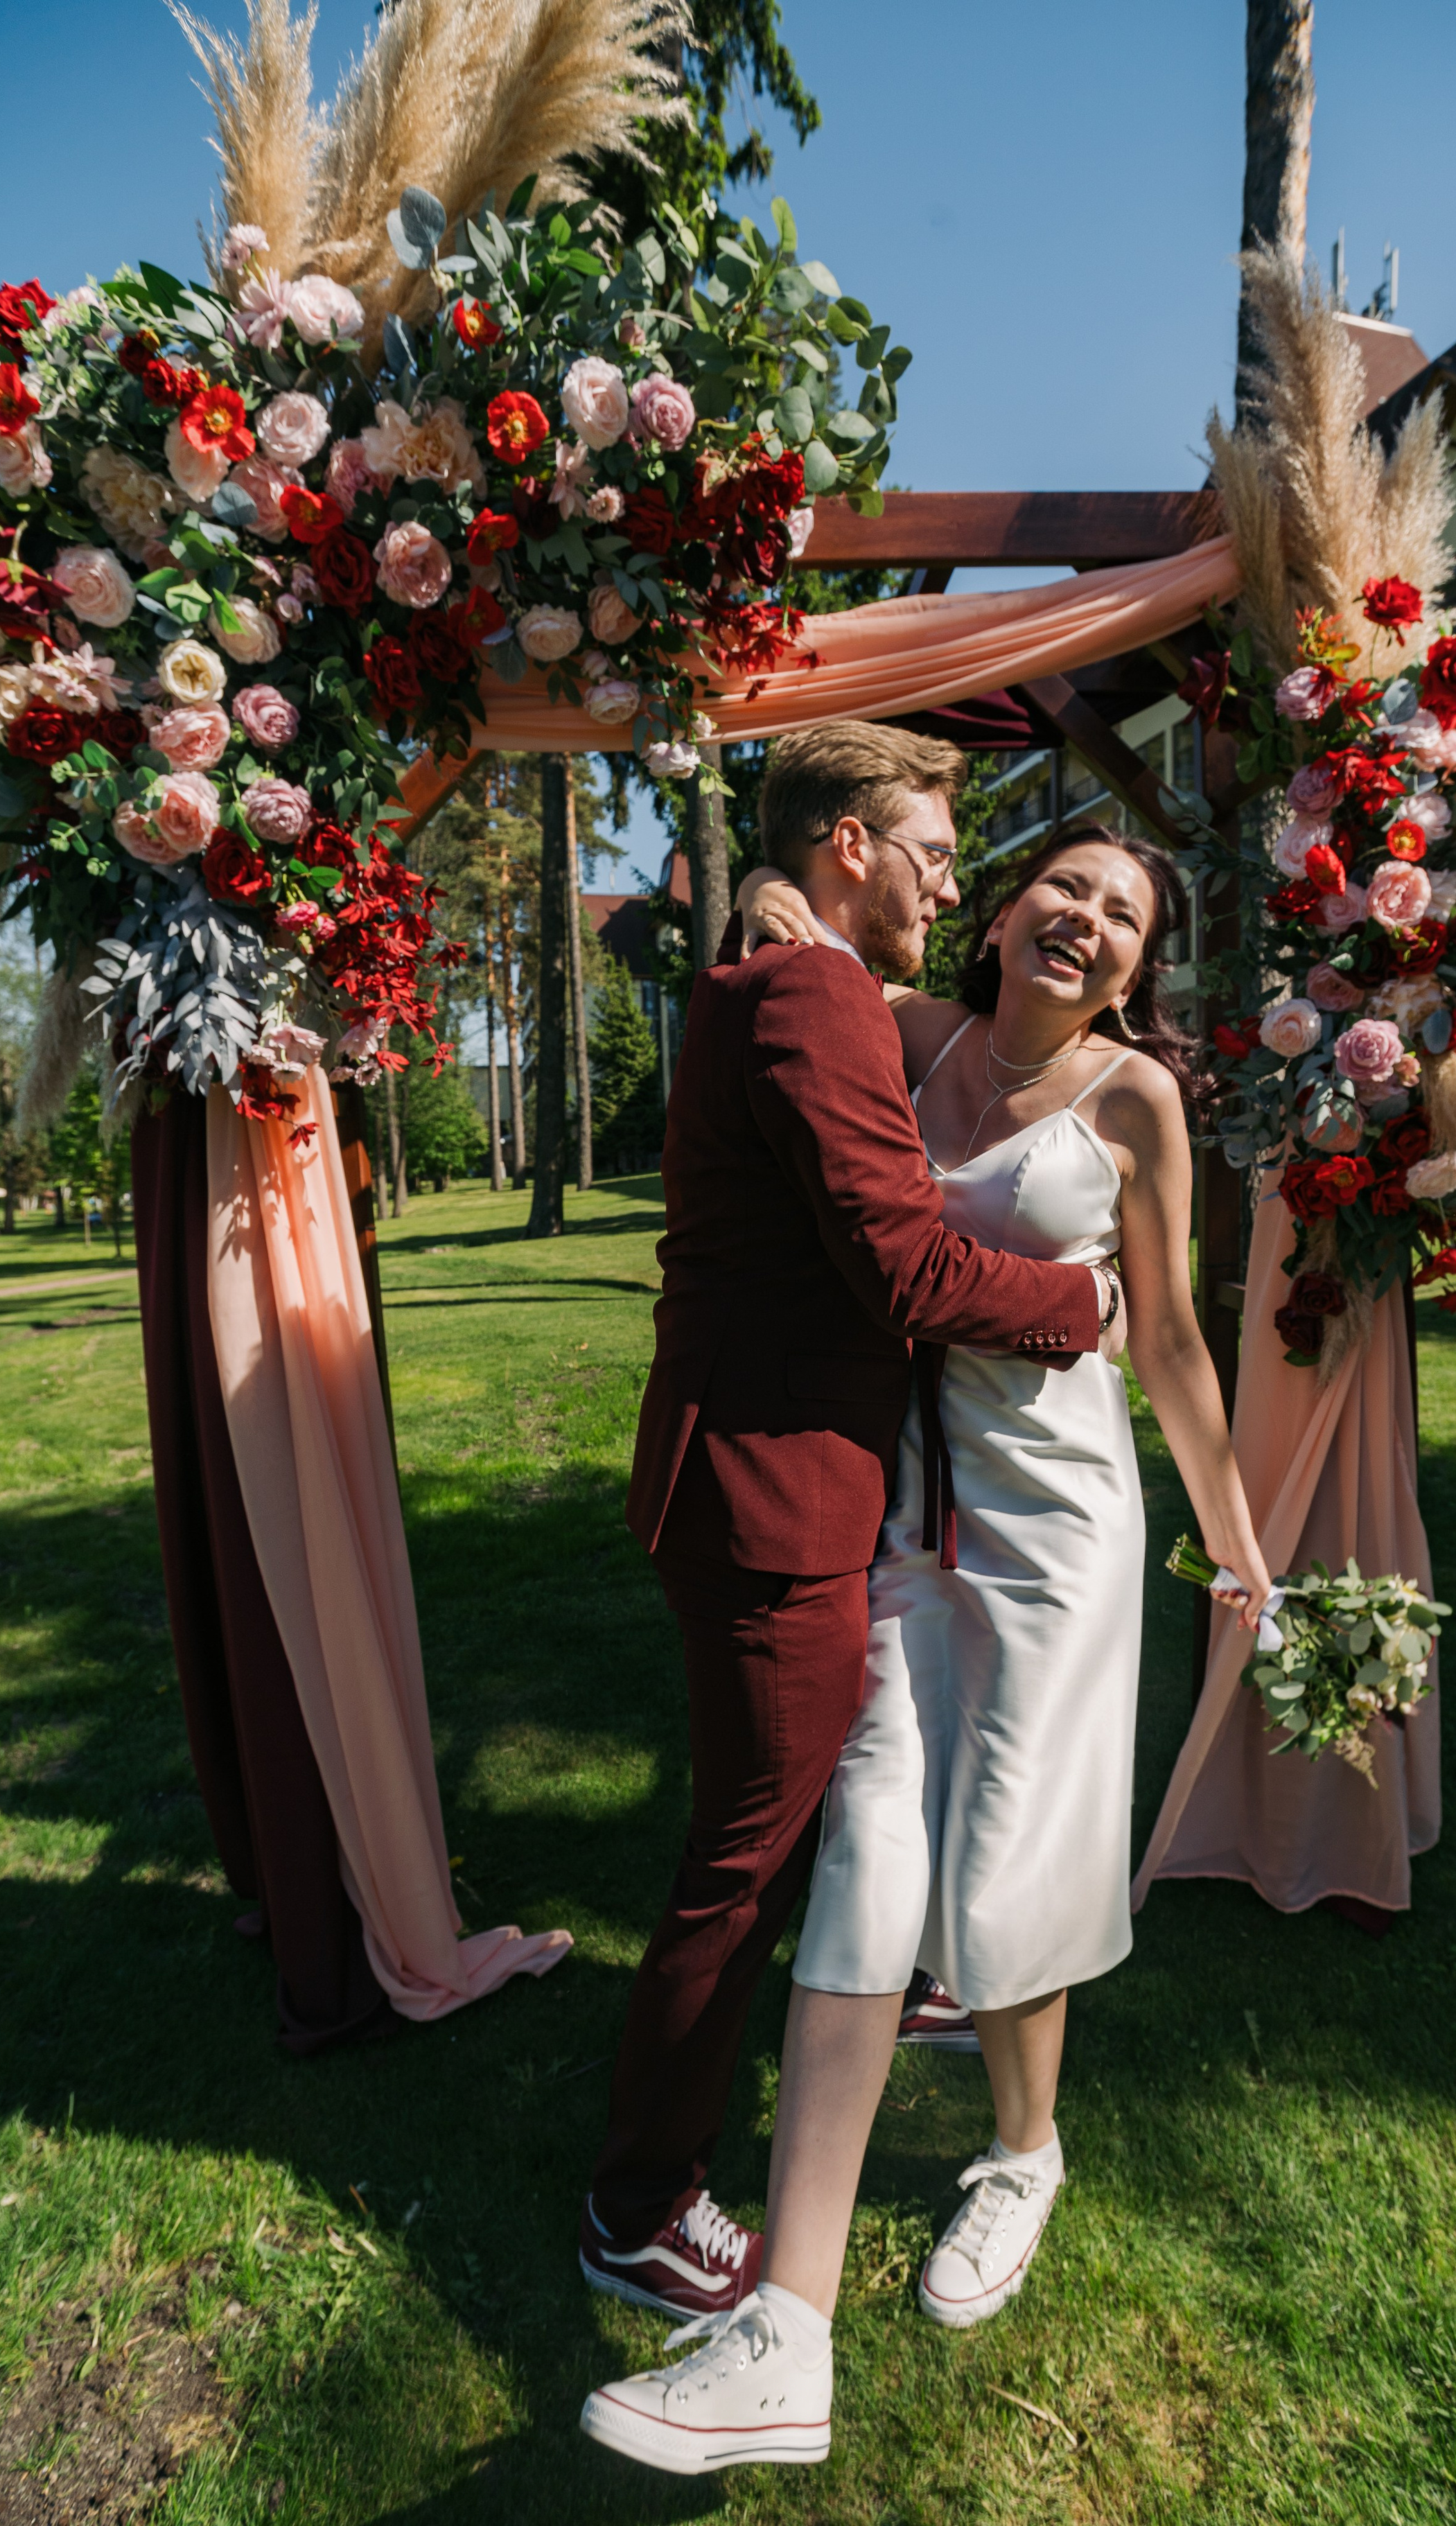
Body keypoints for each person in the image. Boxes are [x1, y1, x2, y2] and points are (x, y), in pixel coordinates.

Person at [581, 818, 1272, 2476]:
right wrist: (757, 894)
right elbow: (795, 989)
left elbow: (1164, 1330)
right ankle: (785, 2327)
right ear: (1006, 903)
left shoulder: (1132, 1101)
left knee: (1014, 1865)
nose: (1087, 923)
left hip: (1055, 1527)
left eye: (1123, 916)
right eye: (1066, 888)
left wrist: (1233, 1535)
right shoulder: (896, 1035)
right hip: (891, 1514)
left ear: (1132, 963)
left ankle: (1022, 2153)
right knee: (867, 1860)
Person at [577, 728, 1128, 2349]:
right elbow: (903, 1264)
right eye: (933, 851)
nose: (952, 882)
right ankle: (639, 2200)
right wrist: (1080, 1305)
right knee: (742, 1864)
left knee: (788, 1820)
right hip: (774, 1489)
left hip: (744, 1470)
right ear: (844, 847)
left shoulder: (778, 973)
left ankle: (916, 1980)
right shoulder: (809, 994)